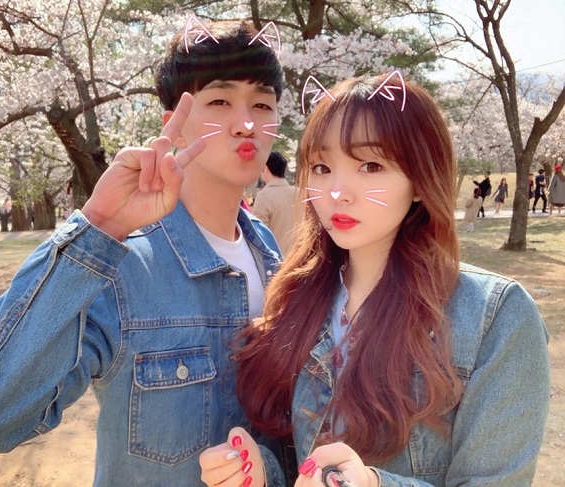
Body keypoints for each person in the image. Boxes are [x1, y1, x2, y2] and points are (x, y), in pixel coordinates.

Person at [0, 20, 289, 487]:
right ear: (174, 125)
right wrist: (98, 230)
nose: (246, 123)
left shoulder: (270, 252)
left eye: (262, 104)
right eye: (220, 101)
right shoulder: (123, 262)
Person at [201, 75, 550, 487]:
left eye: (370, 166)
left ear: (420, 179)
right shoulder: (297, 295)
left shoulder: (495, 316)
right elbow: (297, 457)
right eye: (322, 167)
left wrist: (372, 482)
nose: (337, 193)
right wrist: (260, 470)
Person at [252, 151, 297, 255]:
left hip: (276, 258)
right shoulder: (300, 193)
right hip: (301, 257)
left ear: (265, 168)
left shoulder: (264, 196)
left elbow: (259, 233)